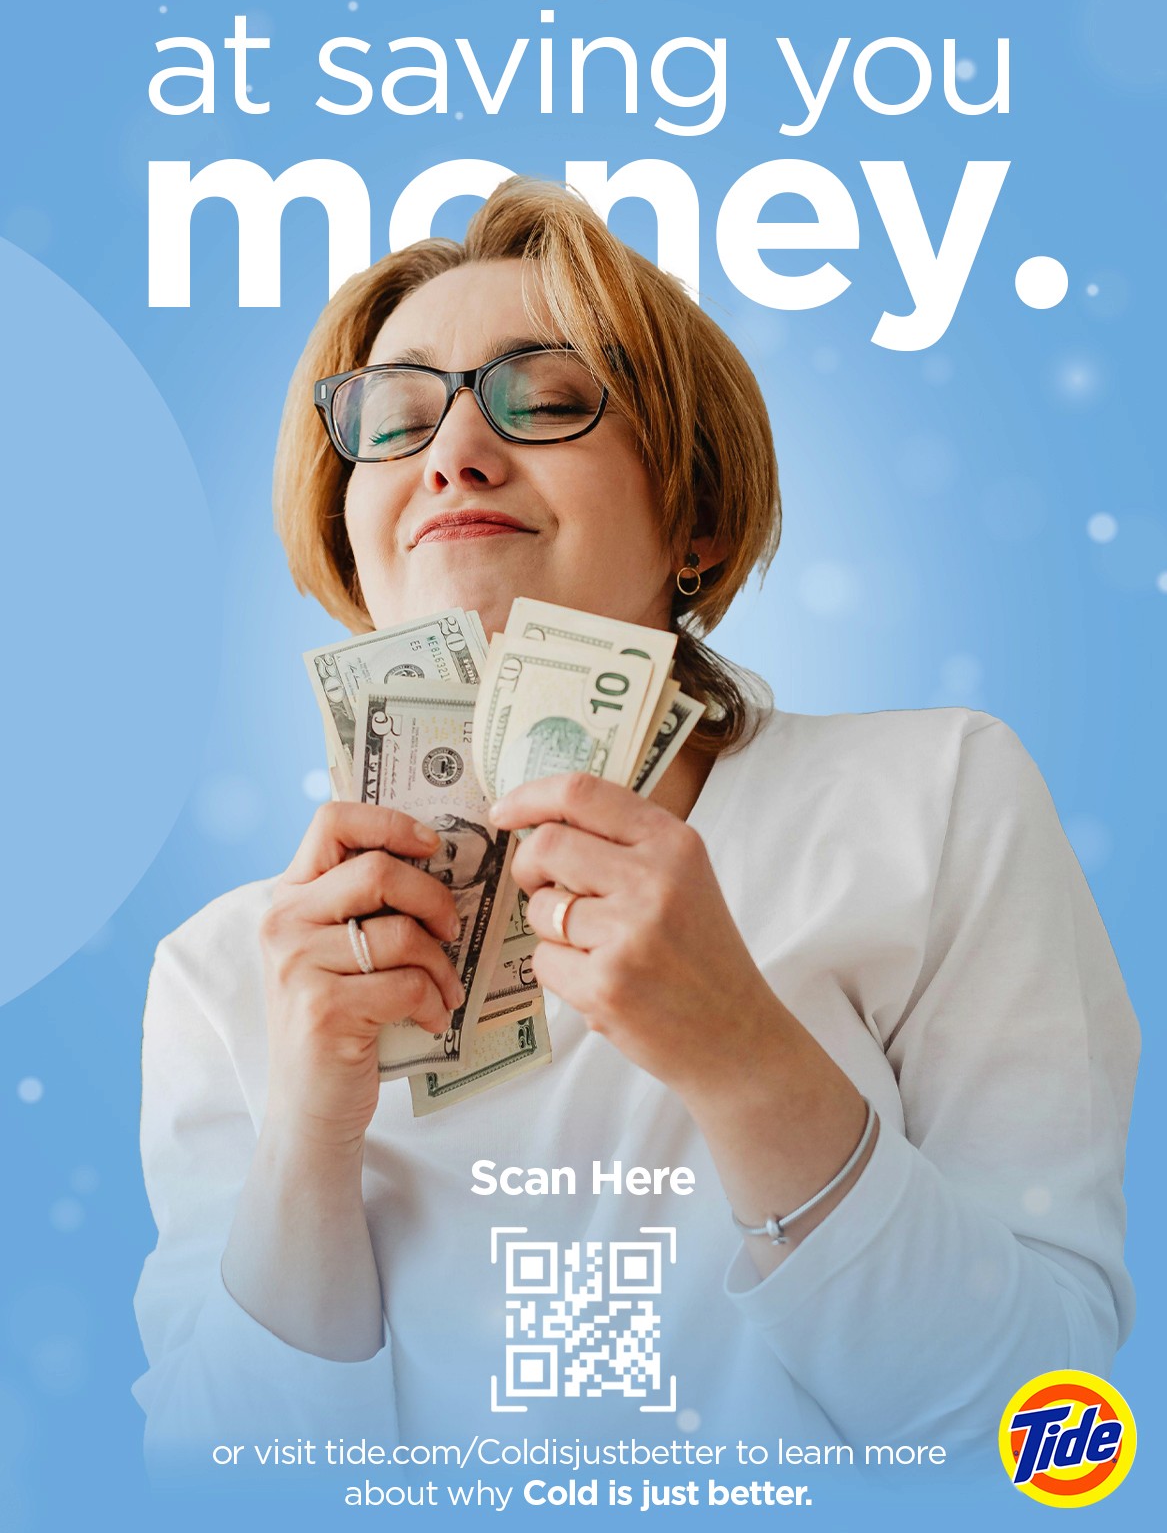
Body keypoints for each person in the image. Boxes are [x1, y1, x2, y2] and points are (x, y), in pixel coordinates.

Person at [133, 177, 1137, 1472]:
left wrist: (744, 1055)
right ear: (348, 538)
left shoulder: (937, 797)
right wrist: (308, 1137)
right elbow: (218, 1496)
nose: (451, 453)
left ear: (698, 523)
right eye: (392, 421)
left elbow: (1043, 1437)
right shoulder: (225, 975)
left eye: (544, 398)